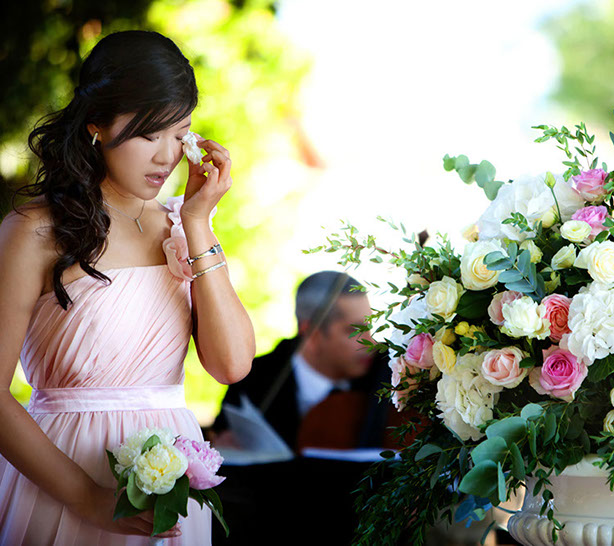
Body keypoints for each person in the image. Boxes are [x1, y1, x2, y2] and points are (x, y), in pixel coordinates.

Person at [0, 30, 255, 545]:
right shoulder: (34, 231)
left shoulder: (182, 227)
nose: (166, 157)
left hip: (172, 488)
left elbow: (232, 366)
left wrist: (198, 221)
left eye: (179, 133)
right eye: (147, 134)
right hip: (66, 479)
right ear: (96, 123)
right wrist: (87, 498)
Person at [207, 271, 395, 545]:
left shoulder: (389, 373)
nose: (371, 342)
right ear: (312, 332)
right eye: (355, 331)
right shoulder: (254, 380)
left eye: (370, 328)